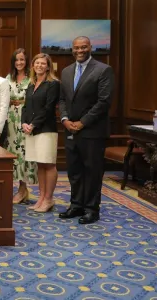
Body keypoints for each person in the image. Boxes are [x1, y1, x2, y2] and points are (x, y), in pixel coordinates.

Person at [58, 36, 114, 225]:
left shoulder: (103, 70)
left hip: (92, 131)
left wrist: (82, 122)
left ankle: (91, 209)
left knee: (92, 171)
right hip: (70, 130)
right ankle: (76, 205)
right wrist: (65, 120)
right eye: (76, 48)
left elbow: (103, 102)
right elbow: (63, 100)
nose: (80, 50)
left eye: (84, 47)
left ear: (90, 47)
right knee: (74, 170)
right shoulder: (66, 72)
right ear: (72, 49)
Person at [21, 53, 60, 213]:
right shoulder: (31, 84)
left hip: (46, 129)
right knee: (40, 164)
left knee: (48, 164)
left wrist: (33, 124)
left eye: (43, 63)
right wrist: (24, 122)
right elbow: (25, 107)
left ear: (48, 66)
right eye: (37, 63)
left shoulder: (53, 84)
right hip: (31, 129)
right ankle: (42, 198)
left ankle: (49, 199)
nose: (39, 66)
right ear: (33, 66)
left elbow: (49, 108)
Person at [5, 49, 37, 204]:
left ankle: (23, 188)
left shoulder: (32, 78)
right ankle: (20, 188)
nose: (19, 63)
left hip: (25, 118)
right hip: (10, 120)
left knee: (25, 153)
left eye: (22, 60)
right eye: (16, 60)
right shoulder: (8, 78)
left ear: (27, 61)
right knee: (13, 153)